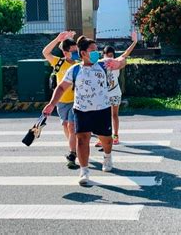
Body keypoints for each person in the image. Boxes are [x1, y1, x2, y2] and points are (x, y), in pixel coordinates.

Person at [42, 36, 127, 185]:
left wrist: (118, 62)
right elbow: (61, 87)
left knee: (106, 140)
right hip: (81, 110)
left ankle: (107, 157)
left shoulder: (103, 65)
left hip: (102, 109)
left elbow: (121, 62)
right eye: (93, 51)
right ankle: (84, 171)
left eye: (97, 50)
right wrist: (51, 104)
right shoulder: (74, 70)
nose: (97, 53)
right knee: (82, 140)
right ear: (83, 53)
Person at [42, 31, 80, 168]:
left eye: (76, 50)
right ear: (65, 52)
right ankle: (73, 145)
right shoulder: (58, 63)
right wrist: (58, 39)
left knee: (71, 126)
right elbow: (45, 52)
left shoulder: (78, 64)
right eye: (72, 50)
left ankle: (72, 152)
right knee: (65, 125)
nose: (75, 52)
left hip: (76, 101)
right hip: (61, 102)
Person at [95, 31, 138, 148]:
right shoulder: (99, 64)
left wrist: (135, 42)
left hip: (115, 93)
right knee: (102, 116)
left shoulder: (116, 62)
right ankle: (102, 138)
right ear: (103, 55)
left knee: (114, 115)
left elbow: (126, 53)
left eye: (111, 55)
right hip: (103, 95)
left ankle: (115, 136)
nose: (109, 57)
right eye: (106, 54)